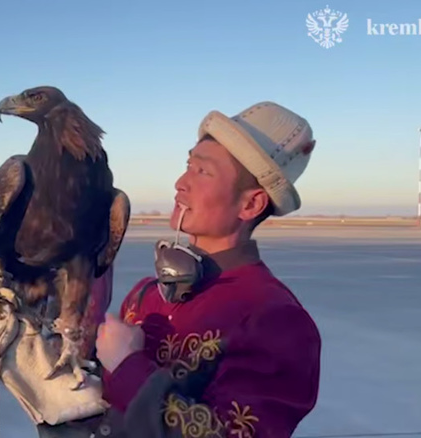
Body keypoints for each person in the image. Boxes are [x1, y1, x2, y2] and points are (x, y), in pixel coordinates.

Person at [41, 102, 322, 438]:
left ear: (251, 204)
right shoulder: (146, 294)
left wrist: (129, 367)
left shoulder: (276, 319)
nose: (180, 183)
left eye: (202, 172)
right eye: (188, 165)